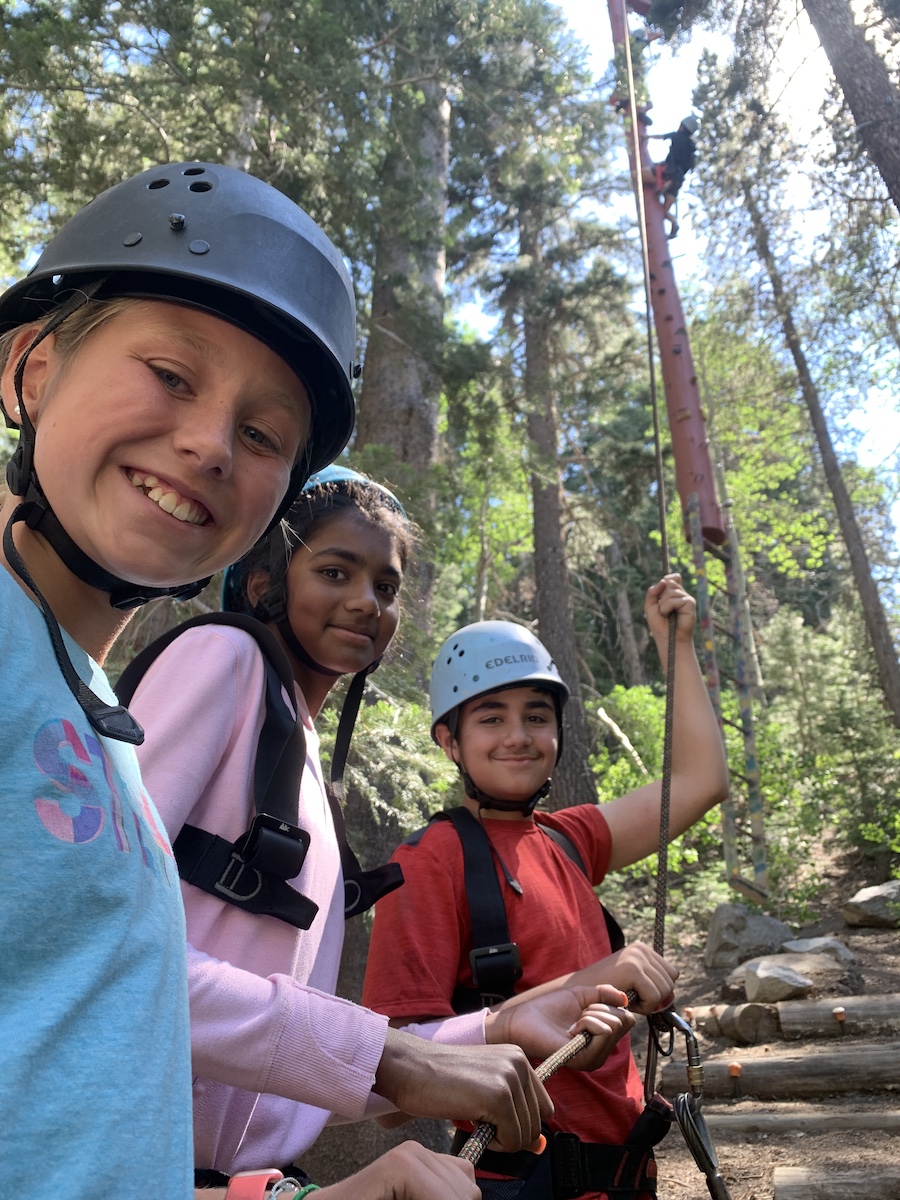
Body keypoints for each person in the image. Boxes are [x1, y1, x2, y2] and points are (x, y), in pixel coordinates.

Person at [0, 159, 358, 1198]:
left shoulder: (100, 723)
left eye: (262, 434)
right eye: (170, 372)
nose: (209, 446)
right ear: (33, 367)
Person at [125, 467, 637, 1189]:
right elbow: (102, 946)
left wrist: (493, 1030)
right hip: (131, 1164)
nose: (367, 602)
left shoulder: (294, 750)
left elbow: (284, 1076)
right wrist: (394, 1059)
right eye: (335, 571)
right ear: (265, 583)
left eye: (387, 587)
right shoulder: (224, 657)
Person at [362, 575, 730, 1199]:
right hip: (524, 1180)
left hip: (624, 1175)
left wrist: (677, 647)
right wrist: (591, 980)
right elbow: (387, 1082)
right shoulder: (429, 862)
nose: (518, 736)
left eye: (536, 716)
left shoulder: (569, 838)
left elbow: (700, 783)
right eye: (491, 718)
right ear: (449, 741)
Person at [642, 115, 698, 238]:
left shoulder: (677, 135)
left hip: (667, 172)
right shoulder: (691, 148)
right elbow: (688, 168)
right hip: (677, 181)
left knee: (639, 174)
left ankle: (661, 184)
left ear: (683, 127)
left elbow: (661, 136)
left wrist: (647, 137)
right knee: (663, 211)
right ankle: (674, 222)